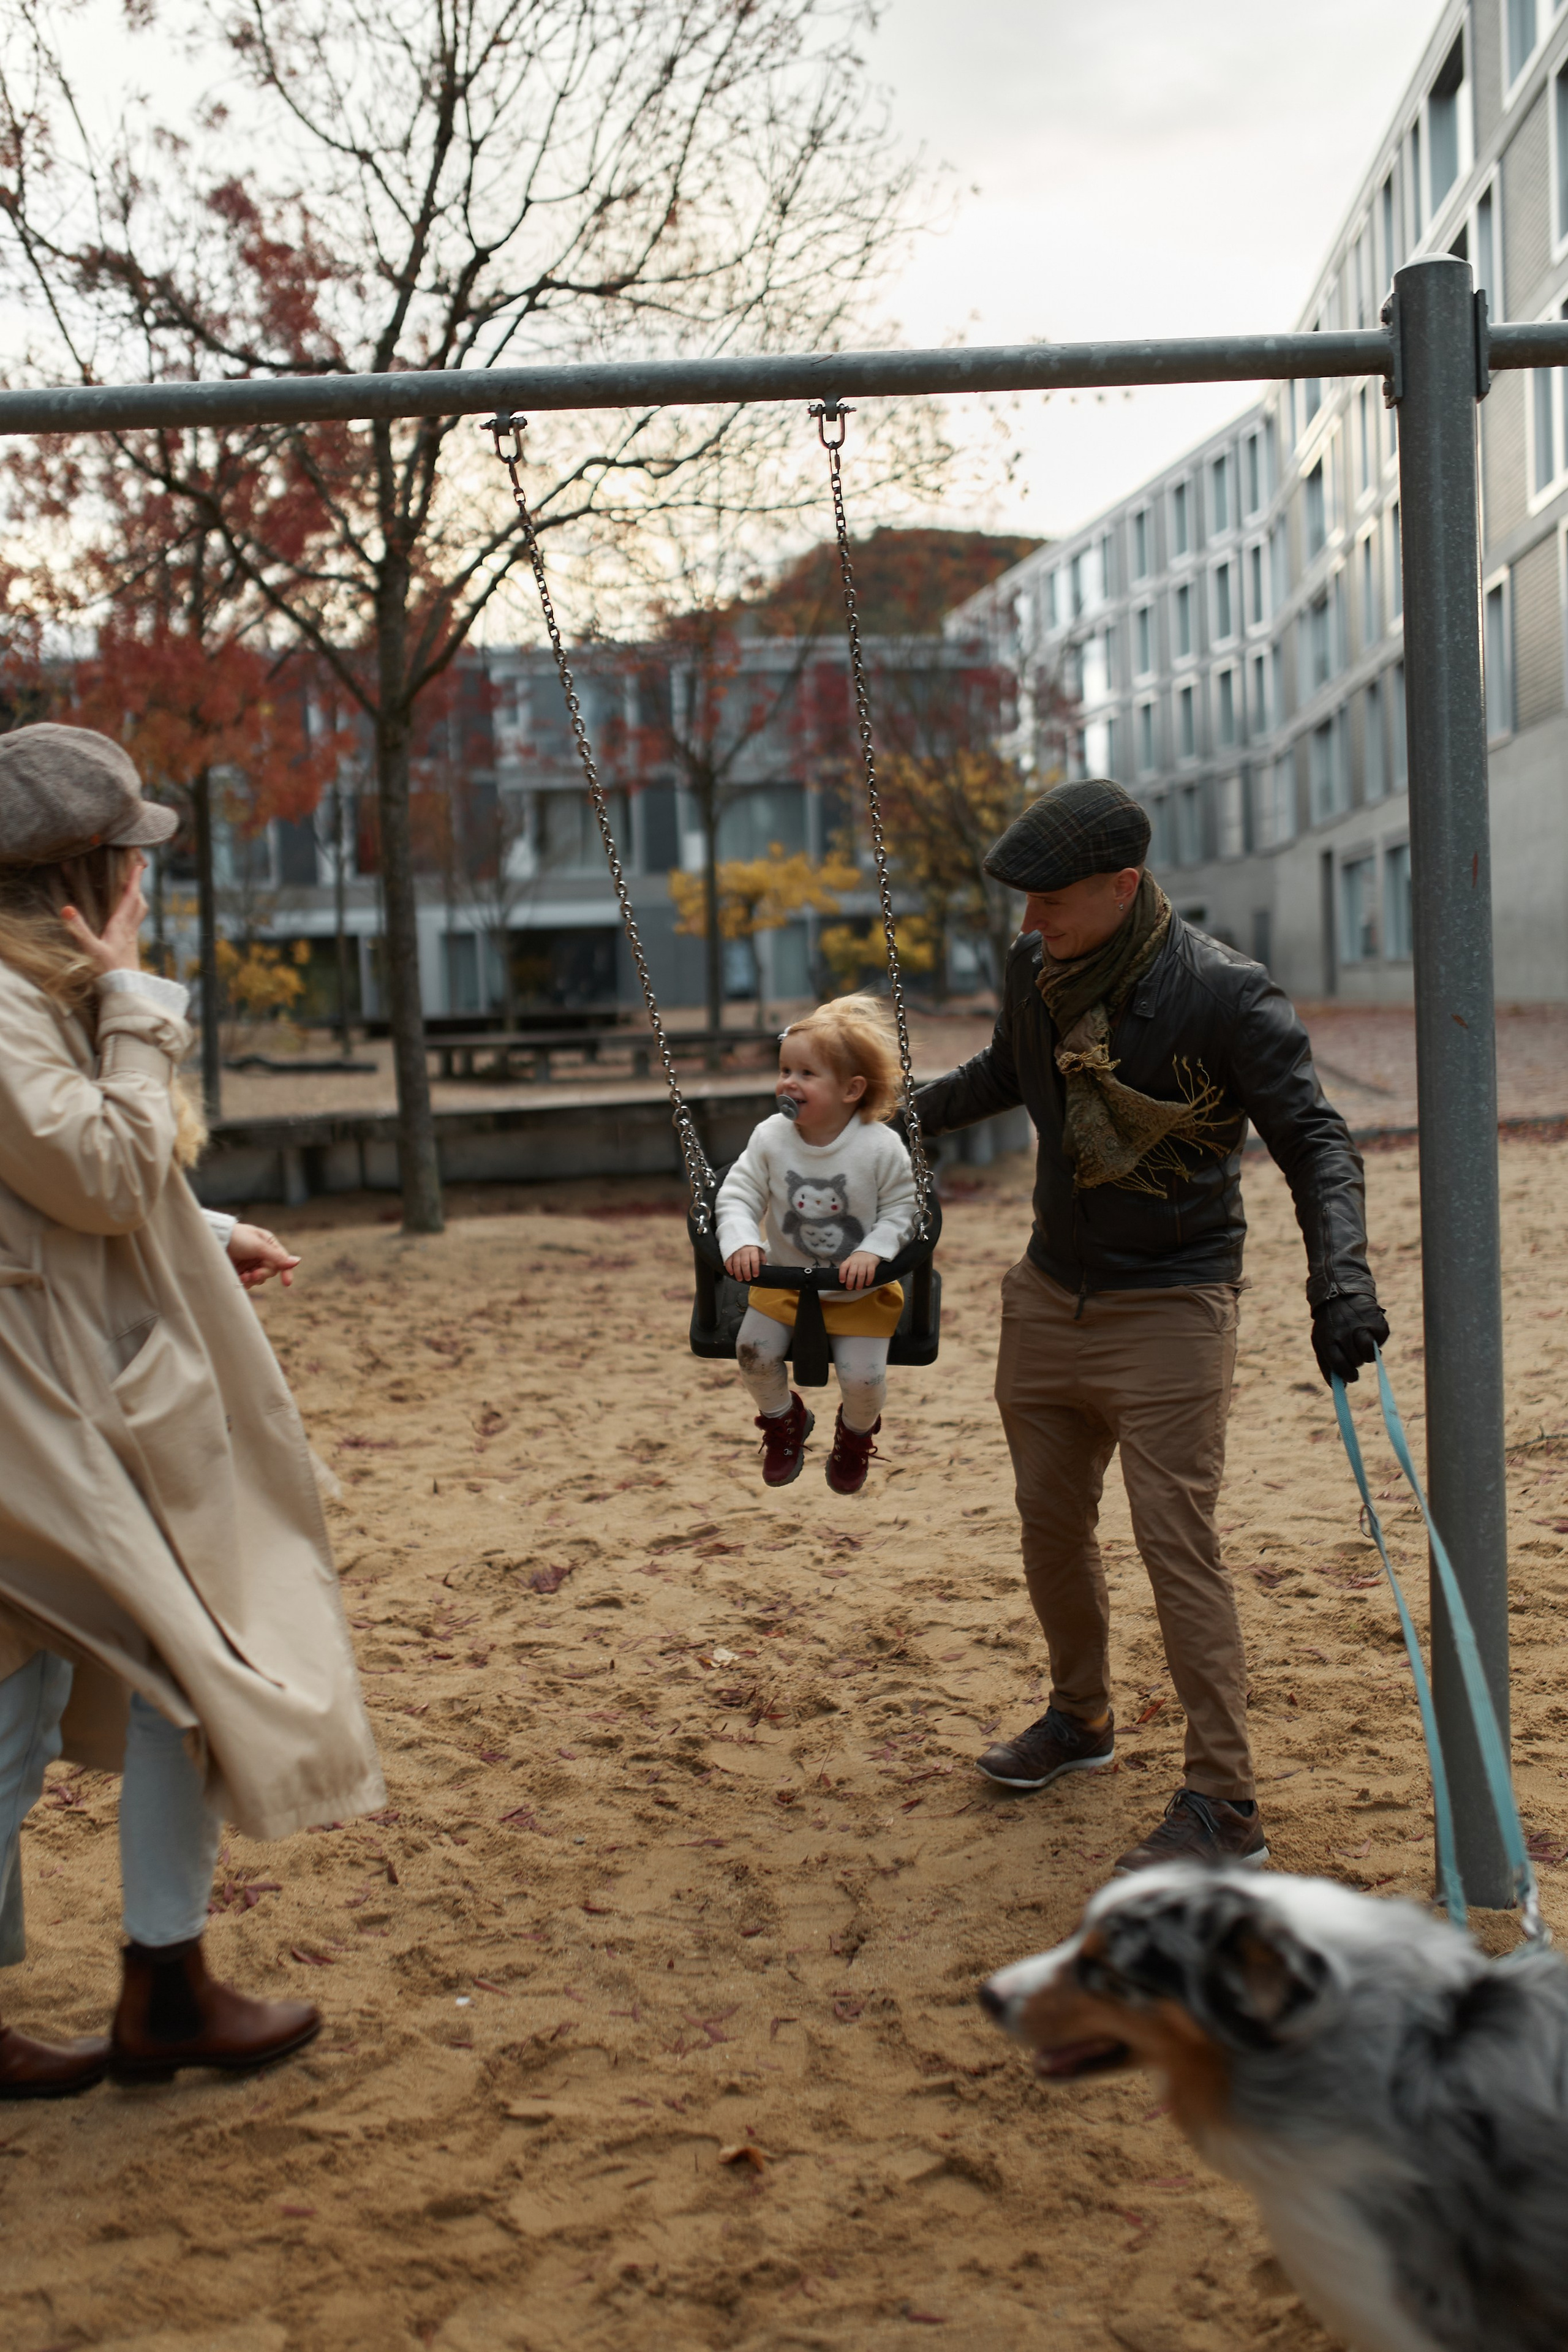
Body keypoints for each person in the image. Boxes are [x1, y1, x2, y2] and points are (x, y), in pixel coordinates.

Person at [0, 723, 384, 2098]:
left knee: (137, 1683)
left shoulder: (29, 1001)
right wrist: (134, 998)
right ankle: (163, 1984)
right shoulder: (14, 1000)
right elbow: (95, 1169)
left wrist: (201, 1224)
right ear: (80, 876)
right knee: (82, 1690)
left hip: (64, 1399)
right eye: (130, 863)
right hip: (39, 1419)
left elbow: (64, 1184)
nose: (143, 885)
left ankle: (166, 1980)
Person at [912, 778, 1385, 1874]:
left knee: (1177, 1547)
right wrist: (911, 1109)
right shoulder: (1038, 971)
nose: (1029, 923)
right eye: (1023, 904)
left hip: (1173, 1301)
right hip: (1048, 1294)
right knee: (1048, 1527)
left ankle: (1225, 1806)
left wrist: (1341, 1282)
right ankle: (1080, 1721)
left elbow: (1317, 1141)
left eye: (1051, 900)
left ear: (1125, 886)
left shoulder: (1226, 994)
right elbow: (1003, 1073)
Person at [719, 995, 917, 1494]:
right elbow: (738, 1194)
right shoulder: (770, 1137)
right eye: (785, 1068)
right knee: (752, 1353)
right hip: (784, 1280)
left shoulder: (879, 1146)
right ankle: (785, 1421)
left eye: (807, 1073)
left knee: (863, 1380)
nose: (789, 1082)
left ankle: (854, 1435)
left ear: (852, 1089)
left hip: (862, 1290)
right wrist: (742, 1241)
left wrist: (874, 1251)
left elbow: (903, 1210)